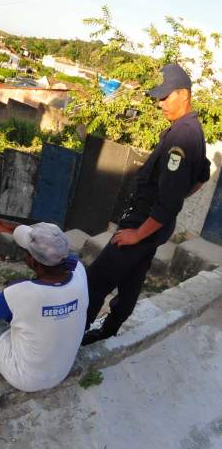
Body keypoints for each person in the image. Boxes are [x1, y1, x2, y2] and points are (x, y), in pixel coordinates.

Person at [83, 64, 209, 345]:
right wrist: (175, 196)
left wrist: (138, 234)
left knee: (96, 280)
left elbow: (170, 202)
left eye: (166, 97)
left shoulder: (182, 136)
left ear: (184, 95)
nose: (160, 103)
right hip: (154, 224)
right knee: (132, 279)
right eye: (159, 98)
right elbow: (203, 175)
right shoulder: (191, 129)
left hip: (144, 221)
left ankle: (73, 337)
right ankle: (107, 332)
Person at [0, 221, 89, 392]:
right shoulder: (79, 272)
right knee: (21, 314)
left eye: (25, 251)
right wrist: (9, 227)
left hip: (26, 378)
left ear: (33, 262)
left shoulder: (22, 292)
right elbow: (57, 252)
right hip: (60, 370)